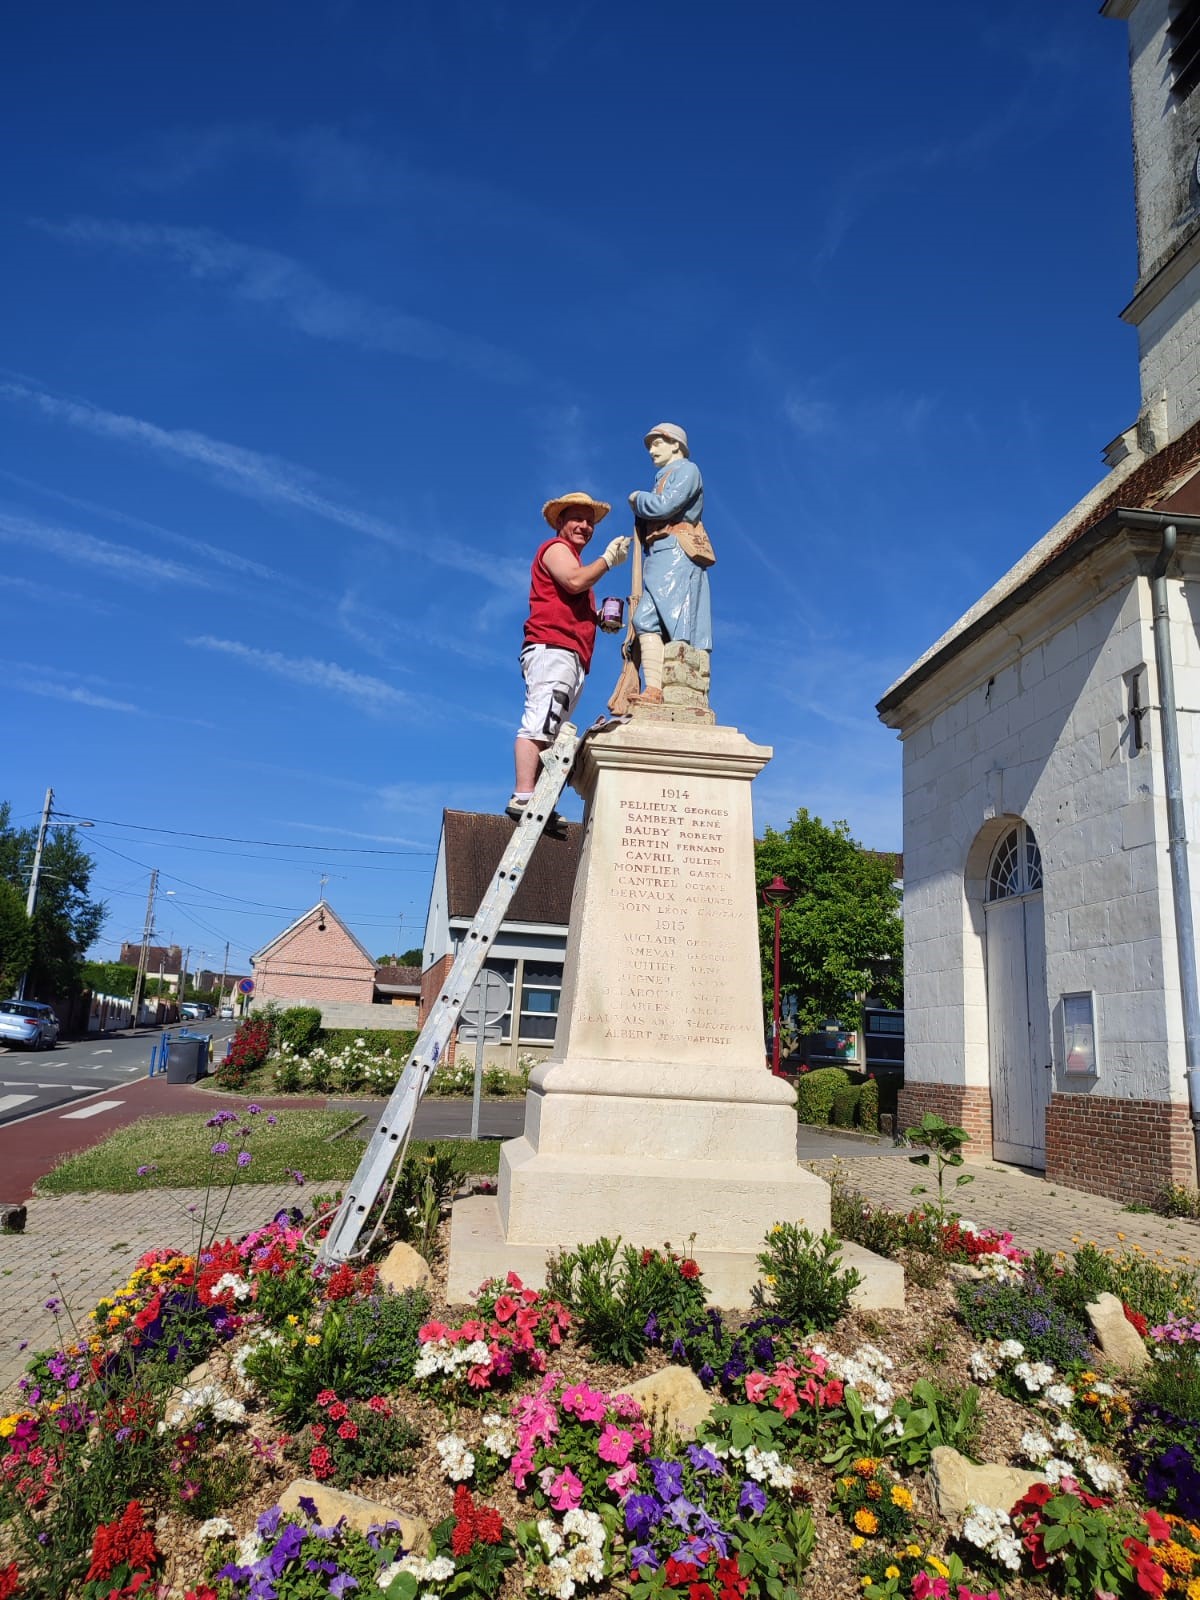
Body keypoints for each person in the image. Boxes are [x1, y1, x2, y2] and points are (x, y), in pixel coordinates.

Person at [508, 491, 628, 827]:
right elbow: (574, 582)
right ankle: (523, 796)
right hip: (554, 648)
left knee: (553, 730)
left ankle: (539, 801)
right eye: (577, 518)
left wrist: (597, 616)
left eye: (590, 522)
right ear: (560, 521)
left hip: (568, 653)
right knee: (540, 723)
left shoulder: (573, 558)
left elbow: (574, 590)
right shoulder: (556, 549)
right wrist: (606, 560)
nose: (585, 526)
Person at [627, 422, 713, 704]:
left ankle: (680, 686)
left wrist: (639, 499)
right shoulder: (666, 474)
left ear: (675, 444)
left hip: (676, 551)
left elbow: (666, 505)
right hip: (659, 552)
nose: (652, 450)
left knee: (677, 620)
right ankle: (655, 689)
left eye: (657, 443)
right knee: (645, 619)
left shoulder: (688, 470)